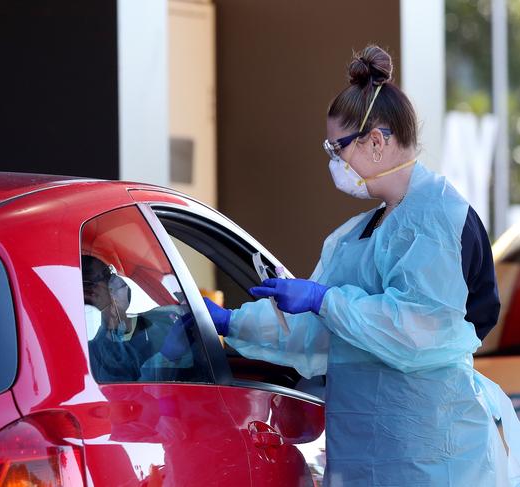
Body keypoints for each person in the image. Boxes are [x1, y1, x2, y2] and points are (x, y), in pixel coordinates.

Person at [204, 45, 520, 486]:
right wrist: (228, 322)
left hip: (431, 452)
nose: (335, 163)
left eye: (338, 148)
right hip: (365, 454)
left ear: (377, 141)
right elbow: (324, 331)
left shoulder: (438, 216)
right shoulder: (357, 235)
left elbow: (415, 329)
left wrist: (324, 298)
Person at [82, 255, 196, 382]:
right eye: (105, 275)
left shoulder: (160, 320)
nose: (115, 278)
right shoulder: (95, 355)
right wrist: (165, 358)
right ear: (91, 292)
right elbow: (127, 395)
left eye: (110, 270)